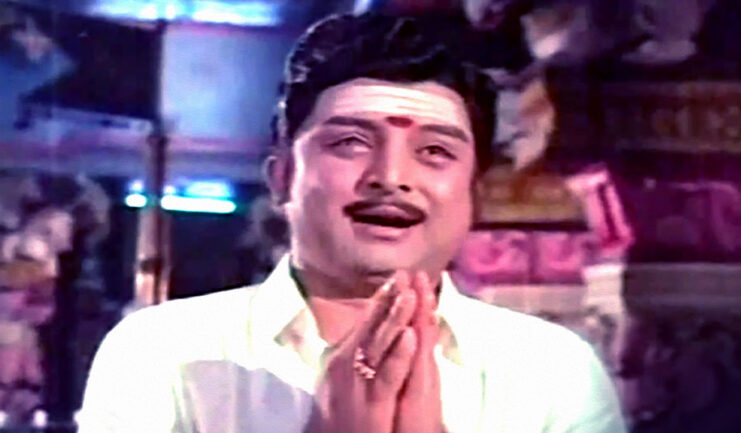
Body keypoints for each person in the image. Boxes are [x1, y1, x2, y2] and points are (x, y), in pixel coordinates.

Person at [78, 13, 625, 433]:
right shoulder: (164, 352)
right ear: (282, 177)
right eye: (350, 143)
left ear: (473, 198)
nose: (391, 177)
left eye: (435, 151)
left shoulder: (553, 370)